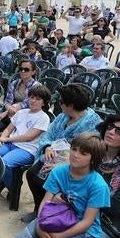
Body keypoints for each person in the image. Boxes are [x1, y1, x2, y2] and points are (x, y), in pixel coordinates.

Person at [0, 133, 110, 238]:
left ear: (93, 160)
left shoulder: (98, 185)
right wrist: (40, 225)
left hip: (81, 228)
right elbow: (45, 203)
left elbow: (87, 222)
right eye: (74, 149)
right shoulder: (59, 171)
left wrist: (59, 236)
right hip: (55, 216)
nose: (75, 154)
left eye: (83, 153)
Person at [22, 84, 103, 222]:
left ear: (70, 105)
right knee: (32, 174)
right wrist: (47, 147)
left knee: (50, 180)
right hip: (52, 156)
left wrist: (65, 165)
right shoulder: (62, 117)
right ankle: (39, 209)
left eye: (61, 102)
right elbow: (48, 135)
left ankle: (55, 215)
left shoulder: (92, 124)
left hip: (75, 164)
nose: (59, 104)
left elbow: (89, 153)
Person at [0, 85, 51, 189]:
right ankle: (2, 180)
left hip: (27, 149)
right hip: (10, 144)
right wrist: (1, 139)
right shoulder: (21, 112)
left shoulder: (44, 117)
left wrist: (5, 139)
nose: (33, 101)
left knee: (4, 163)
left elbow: (28, 137)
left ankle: (13, 187)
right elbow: (8, 129)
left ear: (44, 103)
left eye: (38, 99)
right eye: (32, 97)